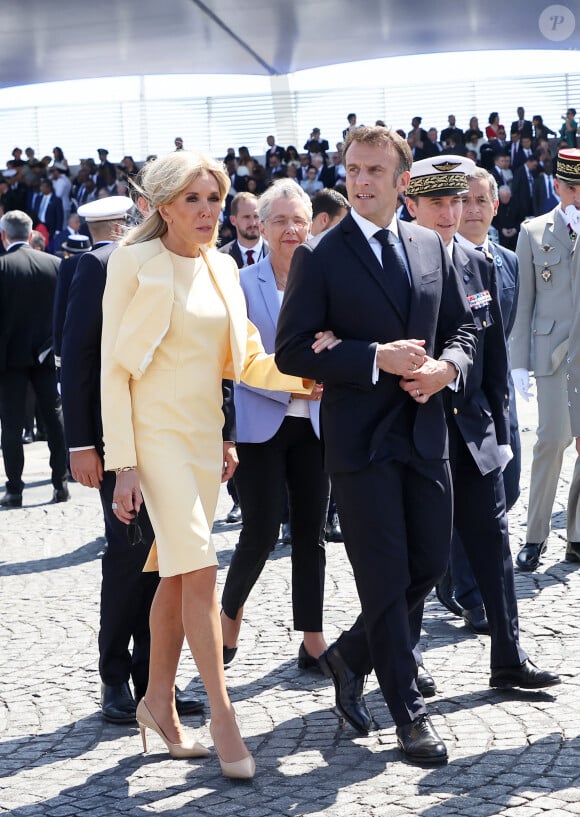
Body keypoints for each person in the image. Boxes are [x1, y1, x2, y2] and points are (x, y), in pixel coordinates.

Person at [99, 150, 324, 778]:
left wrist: (311, 378)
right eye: (194, 199)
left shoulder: (226, 267)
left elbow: (249, 362)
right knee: (200, 569)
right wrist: (124, 464)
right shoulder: (133, 262)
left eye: (216, 200)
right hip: (154, 441)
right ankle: (224, 718)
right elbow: (113, 371)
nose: (207, 212)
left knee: (175, 578)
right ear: (164, 204)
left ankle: (157, 706)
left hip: (203, 444)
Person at [275, 126, 478, 765]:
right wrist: (373, 359)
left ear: (401, 182)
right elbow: (290, 350)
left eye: (373, 170)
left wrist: (446, 368)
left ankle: (349, 654)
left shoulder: (428, 243)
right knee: (386, 579)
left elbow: (463, 329)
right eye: (353, 168)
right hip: (360, 444)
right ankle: (409, 715)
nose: (360, 180)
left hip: (424, 433)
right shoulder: (321, 255)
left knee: (428, 566)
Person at [405, 157, 559, 706]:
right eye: (441, 203)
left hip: (474, 430)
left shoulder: (479, 260)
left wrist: (497, 425)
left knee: (493, 544)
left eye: (459, 202)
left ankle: (508, 658)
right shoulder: (396, 261)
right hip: (417, 434)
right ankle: (409, 661)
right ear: (414, 206)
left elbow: (492, 355)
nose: (452, 214)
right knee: (419, 554)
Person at [60, 195, 203, 724]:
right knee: (127, 559)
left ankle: (154, 680)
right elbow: (78, 357)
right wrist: (80, 443)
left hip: (180, 439)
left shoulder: (189, 261)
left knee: (168, 564)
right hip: (122, 444)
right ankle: (114, 676)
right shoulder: (99, 265)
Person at [220, 179, 330, 672]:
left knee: (312, 533)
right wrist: (298, 385)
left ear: (311, 225)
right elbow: (241, 363)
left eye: (298, 220)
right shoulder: (242, 284)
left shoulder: (327, 280)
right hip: (259, 425)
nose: (290, 230)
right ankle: (227, 620)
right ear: (260, 227)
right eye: (279, 220)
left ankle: (312, 638)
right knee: (260, 532)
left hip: (316, 427)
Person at [510, 147, 580, 569]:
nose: (578, 197)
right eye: (571, 188)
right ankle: (536, 535)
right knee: (552, 440)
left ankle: (577, 534)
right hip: (552, 353)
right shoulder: (533, 231)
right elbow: (524, 302)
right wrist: (519, 360)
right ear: (557, 186)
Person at [0, 209, 69, 507]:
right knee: (55, 422)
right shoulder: (55, 264)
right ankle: (61, 484)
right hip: (46, 356)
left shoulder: (2, 267)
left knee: (12, 426)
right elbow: (67, 314)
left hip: (9, 360)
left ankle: (14, 489)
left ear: (4, 236)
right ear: (30, 235)